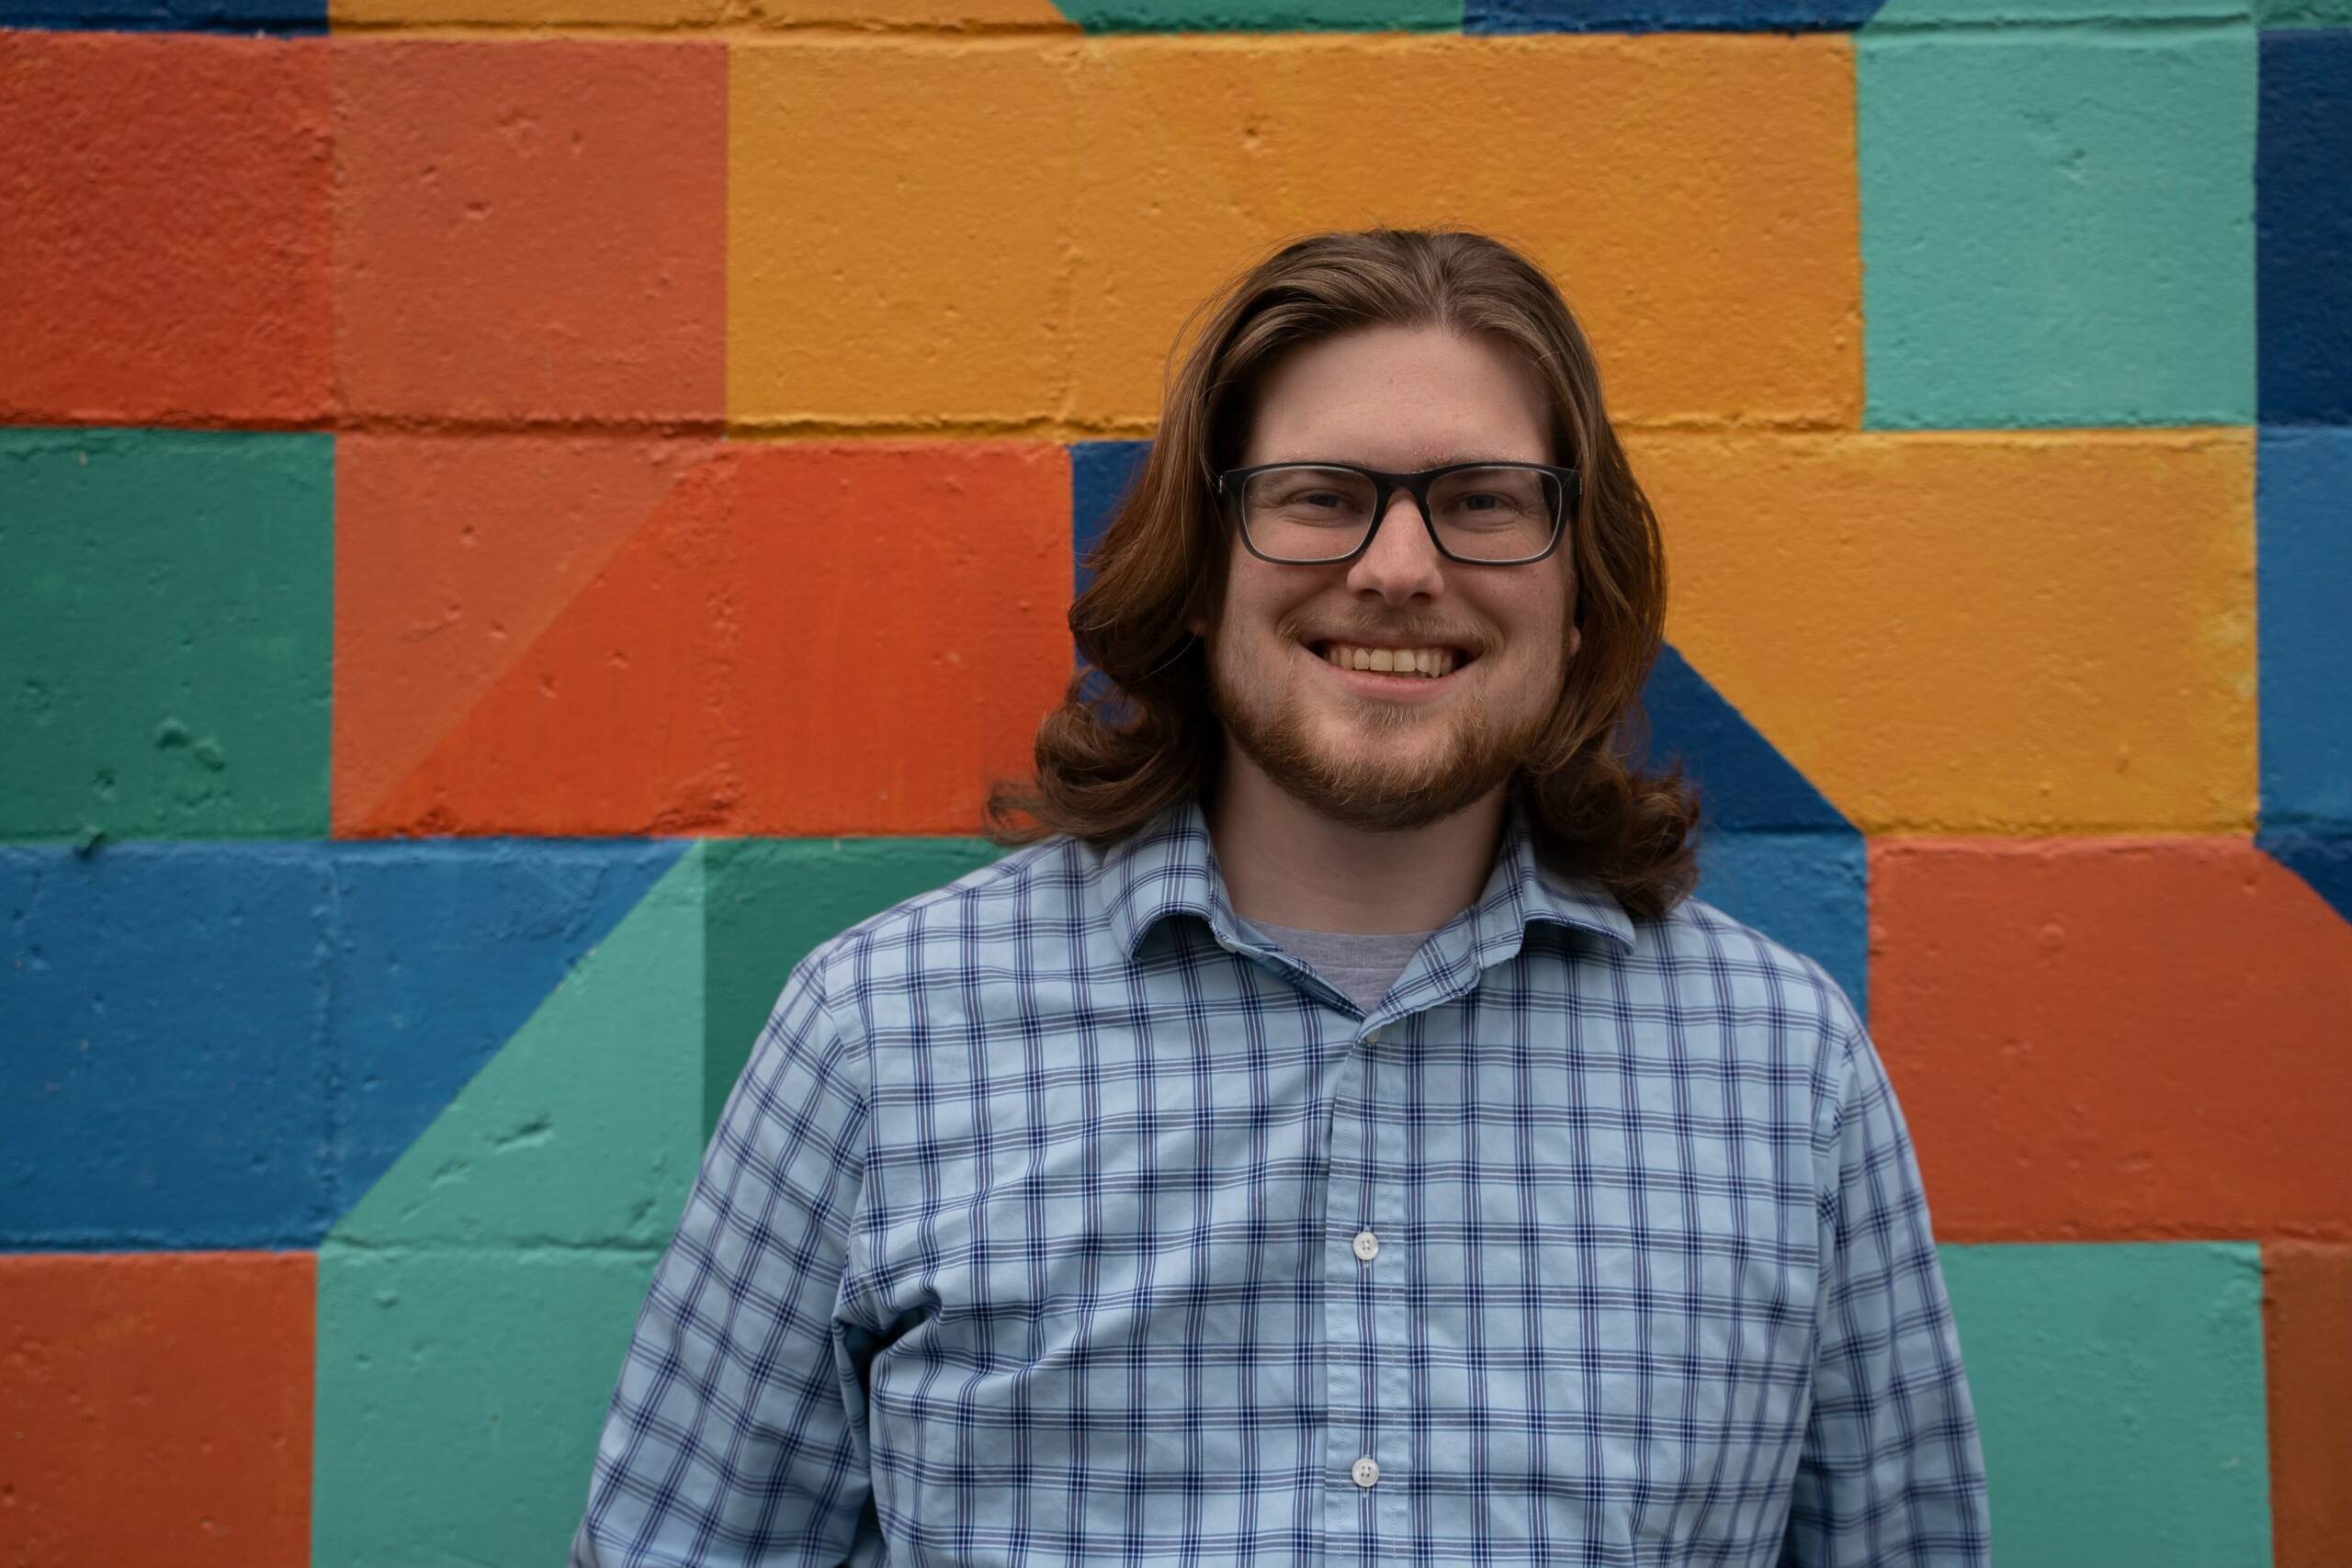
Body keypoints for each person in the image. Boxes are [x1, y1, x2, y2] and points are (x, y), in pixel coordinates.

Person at [570, 227, 1991, 1566]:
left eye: (1483, 504)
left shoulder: (1782, 1070)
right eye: (1320, 499)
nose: (1397, 570)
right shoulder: (880, 1038)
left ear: (1580, 590)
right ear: (1201, 568)